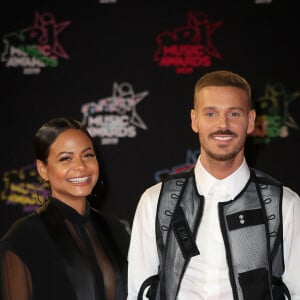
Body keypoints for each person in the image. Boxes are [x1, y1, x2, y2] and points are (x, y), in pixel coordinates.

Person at [127, 70, 300, 300]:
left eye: (234, 114)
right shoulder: (155, 201)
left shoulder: (284, 205)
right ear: (194, 120)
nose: (223, 125)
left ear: (250, 121)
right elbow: (138, 292)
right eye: (211, 113)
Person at [0, 117, 130, 300]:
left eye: (87, 155)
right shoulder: (23, 238)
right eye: (66, 158)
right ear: (43, 169)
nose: (80, 166)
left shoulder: (116, 230)